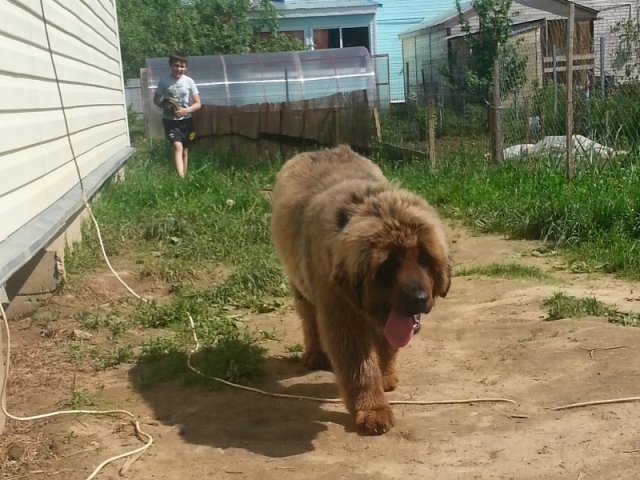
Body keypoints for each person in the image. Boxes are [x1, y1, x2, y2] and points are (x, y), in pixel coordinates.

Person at [153, 54, 201, 177]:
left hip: (186, 121)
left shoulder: (189, 81)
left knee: (185, 150)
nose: (179, 69)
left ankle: (183, 178)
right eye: (176, 65)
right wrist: (164, 106)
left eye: (182, 66)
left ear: (185, 68)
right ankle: (180, 177)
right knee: (177, 146)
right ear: (170, 66)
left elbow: (198, 104)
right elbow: (156, 99)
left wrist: (186, 110)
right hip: (170, 121)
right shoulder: (164, 80)